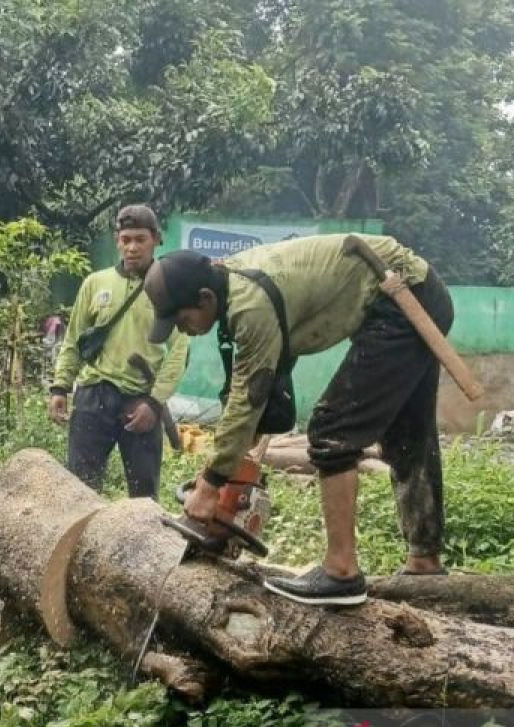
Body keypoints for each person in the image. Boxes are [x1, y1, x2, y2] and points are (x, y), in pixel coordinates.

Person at [143, 234, 454, 606]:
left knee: (332, 430)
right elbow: (259, 400)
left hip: (403, 295)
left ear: (205, 299)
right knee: (408, 433)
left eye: (182, 319)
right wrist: (233, 470)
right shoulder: (229, 285)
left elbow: (247, 399)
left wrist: (210, 486)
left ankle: (341, 572)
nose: (181, 329)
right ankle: (425, 563)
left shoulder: (249, 306)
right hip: (416, 287)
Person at [48, 205, 189, 499]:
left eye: (140, 239)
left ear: (156, 239)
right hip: (93, 397)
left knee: (144, 499)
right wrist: (60, 387)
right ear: (117, 241)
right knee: (80, 491)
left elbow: (179, 352)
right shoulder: (95, 283)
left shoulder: (170, 289)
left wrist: (154, 403)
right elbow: (73, 339)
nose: (132, 247)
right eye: (126, 240)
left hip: (141, 402)